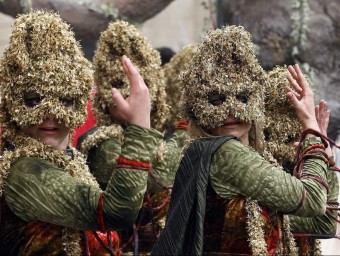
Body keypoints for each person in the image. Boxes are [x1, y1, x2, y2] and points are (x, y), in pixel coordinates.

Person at [151, 25, 331, 255]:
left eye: (243, 98)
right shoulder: (226, 154)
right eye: (216, 100)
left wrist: (323, 151)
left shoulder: (238, 157)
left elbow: (322, 223)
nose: (231, 111)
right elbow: (312, 200)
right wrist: (310, 127)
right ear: (196, 107)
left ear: (256, 102)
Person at [0, 11, 158, 255]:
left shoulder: (70, 159)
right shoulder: (25, 171)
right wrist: (139, 125)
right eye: (33, 101)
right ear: (12, 103)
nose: (50, 115)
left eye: (65, 101)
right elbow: (116, 211)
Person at [77, 20, 188, 255]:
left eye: (141, 84)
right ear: (105, 97)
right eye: (120, 84)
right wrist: (186, 124)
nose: (134, 92)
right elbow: (164, 172)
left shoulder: (154, 137)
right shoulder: (100, 143)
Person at [265, 66, 339, 254]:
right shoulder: (263, 165)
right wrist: (317, 149)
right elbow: (324, 225)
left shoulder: (304, 162)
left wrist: (322, 150)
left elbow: (326, 223)